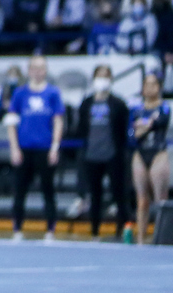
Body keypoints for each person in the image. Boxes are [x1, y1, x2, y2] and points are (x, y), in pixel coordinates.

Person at [5, 54, 64, 242]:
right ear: (29, 70)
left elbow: (58, 121)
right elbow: (11, 122)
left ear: (46, 70)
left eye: (42, 68)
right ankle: (17, 229)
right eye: (35, 68)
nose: (38, 72)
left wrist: (55, 147)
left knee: (48, 189)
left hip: (44, 148)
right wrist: (14, 148)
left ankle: (50, 230)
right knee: (19, 190)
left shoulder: (53, 93)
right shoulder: (20, 94)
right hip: (24, 148)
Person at [74, 64, 129, 239]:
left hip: (113, 154)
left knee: (119, 194)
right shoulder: (87, 103)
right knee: (95, 195)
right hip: (92, 154)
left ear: (111, 79)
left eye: (106, 76)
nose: (102, 80)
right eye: (99, 76)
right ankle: (95, 231)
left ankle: (122, 230)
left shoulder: (118, 104)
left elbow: (122, 130)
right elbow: (81, 128)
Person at [129, 72, 170, 245]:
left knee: (160, 198)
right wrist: (149, 124)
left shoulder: (164, 106)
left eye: (153, 84)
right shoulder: (137, 109)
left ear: (159, 87)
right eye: (146, 84)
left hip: (158, 152)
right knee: (142, 199)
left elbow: (161, 121)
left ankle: (162, 237)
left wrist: (144, 125)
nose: (149, 88)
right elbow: (132, 135)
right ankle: (140, 238)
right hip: (141, 153)